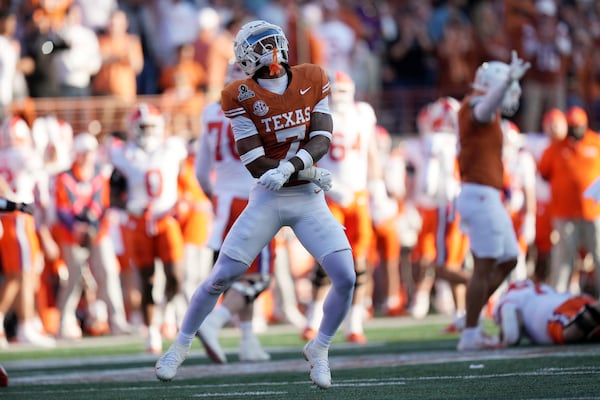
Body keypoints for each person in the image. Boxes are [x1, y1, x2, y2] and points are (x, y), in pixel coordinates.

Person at [155, 20, 355, 389]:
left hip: (306, 197)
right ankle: (179, 347)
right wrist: (303, 172)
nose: (269, 52)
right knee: (220, 278)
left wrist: (297, 170)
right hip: (268, 196)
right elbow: (252, 160)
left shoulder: (313, 76)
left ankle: (320, 348)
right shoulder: (238, 94)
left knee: (345, 276)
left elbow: (321, 140)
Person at [193, 61, 274, 363]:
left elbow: (201, 172)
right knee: (261, 277)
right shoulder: (258, 109)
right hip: (253, 198)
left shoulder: (210, 113)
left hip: (224, 201)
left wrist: (217, 197)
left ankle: (247, 339)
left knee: (244, 274)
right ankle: (214, 321)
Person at [455, 50, 530, 351]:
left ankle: (469, 317)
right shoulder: (475, 104)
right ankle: (470, 334)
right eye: (509, 88)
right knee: (484, 267)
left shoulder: (485, 106)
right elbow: (482, 110)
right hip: (479, 194)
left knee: (509, 258)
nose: (511, 95)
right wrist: (505, 83)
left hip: (489, 195)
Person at [109, 103, 186, 354]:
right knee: (147, 279)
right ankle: (152, 331)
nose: (146, 131)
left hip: (167, 219)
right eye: (141, 126)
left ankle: (168, 310)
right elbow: (113, 191)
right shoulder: (124, 153)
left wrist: (184, 199)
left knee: (176, 276)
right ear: (133, 128)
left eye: (150, 126)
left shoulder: (172, 148)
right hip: (139, 222)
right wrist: (126, 205)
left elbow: (183, 177)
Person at [539, 106, 600, 297]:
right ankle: (558, 300)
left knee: (598, 255)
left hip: (593, 212)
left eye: (577, 126)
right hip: (564, 213)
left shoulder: (595, 142)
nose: (574, 130)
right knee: (564, 259)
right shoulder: (556, 146)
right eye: (571, 126)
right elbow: (543, 172)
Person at [493, 279, 600, 345]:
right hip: (577, 300)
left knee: (570, 334)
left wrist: (500, 337)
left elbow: (511, 334)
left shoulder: (509, 297)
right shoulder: (541, 289)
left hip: (554, 312)